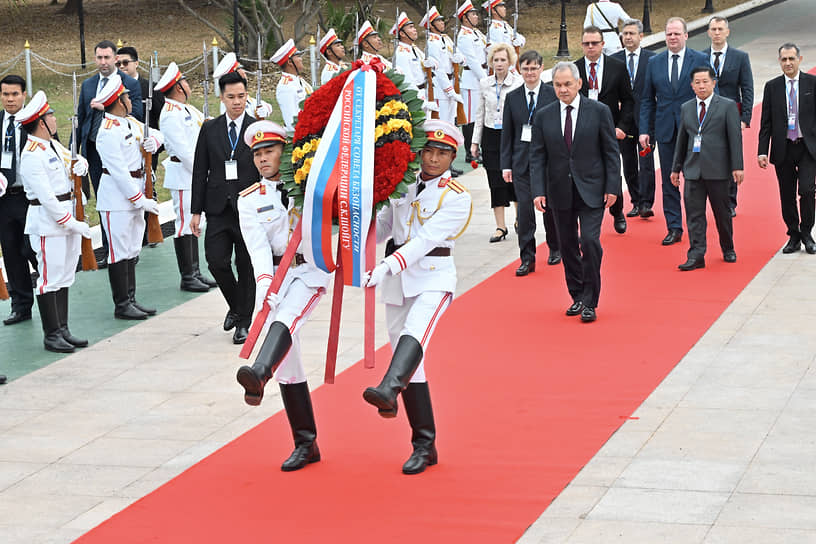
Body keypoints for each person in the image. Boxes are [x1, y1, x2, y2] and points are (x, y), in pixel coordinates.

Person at [364, 119, 472, 475]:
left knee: (415, 333)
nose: (434, 159)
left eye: (443, 153)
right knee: (410, 361)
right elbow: (383, 229)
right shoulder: (403, 184)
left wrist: (386, 267)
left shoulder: (457, 196)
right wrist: (356, 222)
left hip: (432, 278)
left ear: (452, 156)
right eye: (429, 151)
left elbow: (425, 242)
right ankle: (424, 445)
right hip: (398, 282)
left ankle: (388, 388)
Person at [235, 120, 331, 471]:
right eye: (257, 154)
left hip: (309, 272)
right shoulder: (249, 201)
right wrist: (265, 289)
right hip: (277, 274)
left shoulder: (310, 185)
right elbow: (257, 251)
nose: (263, 159)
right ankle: (306, 443)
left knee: (287, 318)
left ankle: (260, 371)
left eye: (269, 151)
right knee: (290, 364)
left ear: (283, 151)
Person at [530, 62, 621, 323]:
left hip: (592, 189)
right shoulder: (544, 115)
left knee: (590, 242)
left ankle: (591, 299)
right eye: (558, 85)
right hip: (558, 191)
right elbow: (536, 156)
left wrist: (612, 187)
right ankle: (578, 295)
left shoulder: (599, 111)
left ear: (579, 83)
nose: (563, 89)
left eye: (567, 84)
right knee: (567, 245)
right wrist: (538, 190)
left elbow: (611, 153)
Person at [18, 91, 92, 352]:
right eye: (50, 115)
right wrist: (71, 223)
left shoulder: (51, 145)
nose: (54, 118)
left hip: (67, 214)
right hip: (48, 224)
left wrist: (80, 163)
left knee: (64, 275)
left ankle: (63, 328)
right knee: (49, 278)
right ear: (41, 121)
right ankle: (52, 334)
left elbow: (70, 159)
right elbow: (47, 199)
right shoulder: (31, 154)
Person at [191, 71, 259, 343]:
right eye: (231, 97)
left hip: (248, 207)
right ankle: (237, 306)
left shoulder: (256, 129)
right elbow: (199, 171)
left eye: (241, 96)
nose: (237, 102)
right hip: (217, 207)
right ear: (221, 98)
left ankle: (245, 321)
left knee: (246, 265)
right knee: (216, 261)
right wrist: (196, 211)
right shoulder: (210, 129)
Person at [94, 75, 162, 320]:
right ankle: (122, 304)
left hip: (136, 189)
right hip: (117, 198)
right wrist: (139, 199)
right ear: (119, 102)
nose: (130, 100)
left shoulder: (131, 122)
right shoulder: (107, 131)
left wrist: (153, 141)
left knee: (132, 247)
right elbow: (119, 172)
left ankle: (131, 298)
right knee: (119, 251)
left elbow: (157, 134)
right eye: (126, 97)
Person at [639, 17, 708, 246]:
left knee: (694, 180)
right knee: (669, 179)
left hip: (693, 130)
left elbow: (707, 95)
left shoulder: (700, 59)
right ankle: (674, 227)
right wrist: (644, 130)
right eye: (669, 34)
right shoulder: (655, 62)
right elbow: (647, 99)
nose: (673, 37)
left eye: (677, 33)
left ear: (686, 35)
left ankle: (696, 226)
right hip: (665, 129)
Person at [76, 40, 143, 268]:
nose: (103, 62)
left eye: (107, 57)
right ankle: (109, 248)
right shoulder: (88, 85)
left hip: (121, 149)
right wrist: (75, 150)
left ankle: (130, 249)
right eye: (99, 58)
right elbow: (80, 118)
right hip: (94, 150)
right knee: (106, 202)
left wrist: (108, 107)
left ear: (115, 58)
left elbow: (138, 115)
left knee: (125, 198)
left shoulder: (129, 84)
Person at [671, 66, 743, 270]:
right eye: (697, 82)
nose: (701, 86)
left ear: (714, 82)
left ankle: (728, 247)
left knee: (722, 213)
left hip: (718, 169)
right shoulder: (686, 108)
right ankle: (696, 255)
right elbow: (681, 140)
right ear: (692, 85)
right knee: (694, 215)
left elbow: (735, 139)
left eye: (705, 81)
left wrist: (737, 166)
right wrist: (676, 168)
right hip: (692, 170)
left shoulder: (727, 106)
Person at [155, 62, 217, 293]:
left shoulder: (186, 109)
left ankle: (196, 272)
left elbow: (205, 126)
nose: (188, 86)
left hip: (193, 173)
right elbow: (184, 151)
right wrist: (203, 174)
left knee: (195, 223)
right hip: (184, 174)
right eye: (186, 82)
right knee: (183, 224)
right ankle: (188, 275)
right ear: (179, 87)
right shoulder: (171, 115)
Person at [501, 50, 561, 276]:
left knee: (550, 208)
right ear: (519, 70)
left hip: (548, 162)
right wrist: (506, 165)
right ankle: (527, 257)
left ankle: (555, 247)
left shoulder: (551, 94)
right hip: (522, 163)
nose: (530, 73)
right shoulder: (513, 97)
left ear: (541, 68)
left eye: (534, 68)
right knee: (525, 212)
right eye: (525, 69)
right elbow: (507, 133)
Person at [574, 25, 634, 235]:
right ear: (582, 45)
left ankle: (617, 211)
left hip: (610, 130)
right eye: (586, 44)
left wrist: (622, 127)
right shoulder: (575, 69)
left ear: (602, 44)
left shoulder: (617, 67)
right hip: (582, 132)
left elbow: (628, 100)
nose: (590, 47)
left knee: (612, 170)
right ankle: (588, 213)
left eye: (594, 43)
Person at [758, 43, 816, 254]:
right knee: (787, 194)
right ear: (779, 61)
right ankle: (793, 235)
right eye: (784, 59)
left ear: (800, 59)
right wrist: (762, 151)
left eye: (792, 58)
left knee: (808, 190)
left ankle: (807, 232)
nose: (788, 63)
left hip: (808, 148)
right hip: (784, 148)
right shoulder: (772, 87)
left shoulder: (812, 83)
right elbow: (766, 123)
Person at [116, 46, 166, 248]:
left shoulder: (151, 88)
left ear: (136, 63)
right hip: (121, 149)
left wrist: (155, 146)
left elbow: (162, 120)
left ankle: (148, 231)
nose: (122, 67)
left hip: (147, 149)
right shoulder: (113, 88)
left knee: (147, 189)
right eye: (118, 64)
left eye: (125, 63)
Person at [704, 16, 754, 217]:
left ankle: (730, 201)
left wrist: (745, 117)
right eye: (713, 29)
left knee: (732, 155)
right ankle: (714, 197)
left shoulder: (740, 57)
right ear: (708, 32)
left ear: (727, 32)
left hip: (732, 114)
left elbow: (747, 88)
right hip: (706, 115)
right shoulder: (700, 56)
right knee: (711, 157)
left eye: (720, 29)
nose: (717, 33)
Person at [472, 43, 521, 243]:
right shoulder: (485, 83)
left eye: (503, 60)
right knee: (495, 181)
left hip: (512, 136)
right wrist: (475, 142)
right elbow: (480, 114)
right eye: (496, 60)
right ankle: (500, 226)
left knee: (515, 179)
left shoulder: (518, 83)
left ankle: (520, 219)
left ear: (510, 62)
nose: (499, 64)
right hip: (491, 136)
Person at [0, 74, 36, 325]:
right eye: (5, 94)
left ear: (24, 95)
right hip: (4, 199)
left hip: (29, 196)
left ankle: (51, 296)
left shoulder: (34, 121)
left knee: (34, 249)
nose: (10, 99)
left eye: (15, 94)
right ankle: (21, 305)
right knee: (12, 252)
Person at [613, 19, 656, 218]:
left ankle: (647, 202)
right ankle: (636, 201)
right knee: (628, 162)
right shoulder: (614, 60)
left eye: (632, 33)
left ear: (641, 36)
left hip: (646, 119)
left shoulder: (653, 59)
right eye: (625, 34)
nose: (628, 37)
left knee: (646, 162)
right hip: (623, 122)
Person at [422, 6, 466, 127]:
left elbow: (458, 54)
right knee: (441, 124)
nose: (442, 23)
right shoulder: (431, 42)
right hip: (440, 89)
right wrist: (450, 91)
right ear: (431, 25)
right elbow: (439, 70)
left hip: (452, 81)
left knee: (450, 123)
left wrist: (460, 59)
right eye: (439, 21)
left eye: (442, 20)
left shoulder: (446, 39)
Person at [456, 0, 488, 162]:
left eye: (476, 14)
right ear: (464, 18)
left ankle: (478, 148)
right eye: (472, 14)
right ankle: (470, 151)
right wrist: (485, 79)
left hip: (481, 75)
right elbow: (472, 61)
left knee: (480, 115)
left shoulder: (476, 33)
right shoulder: (463, 37)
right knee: (470, 118)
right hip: (471, 80)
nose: (476, 17)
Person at [212, 52, 274, 119]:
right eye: (239, 70)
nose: (243, 72)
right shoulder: (227, 105)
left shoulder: (245, 97)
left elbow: (267, 106)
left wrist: (265, 109)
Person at [272, 39, 313, 135]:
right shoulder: (285, 87)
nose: (301, 59)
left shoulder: (299, 80)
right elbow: (291, 122)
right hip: (300, 136)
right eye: (298, 56)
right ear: (290, 62)